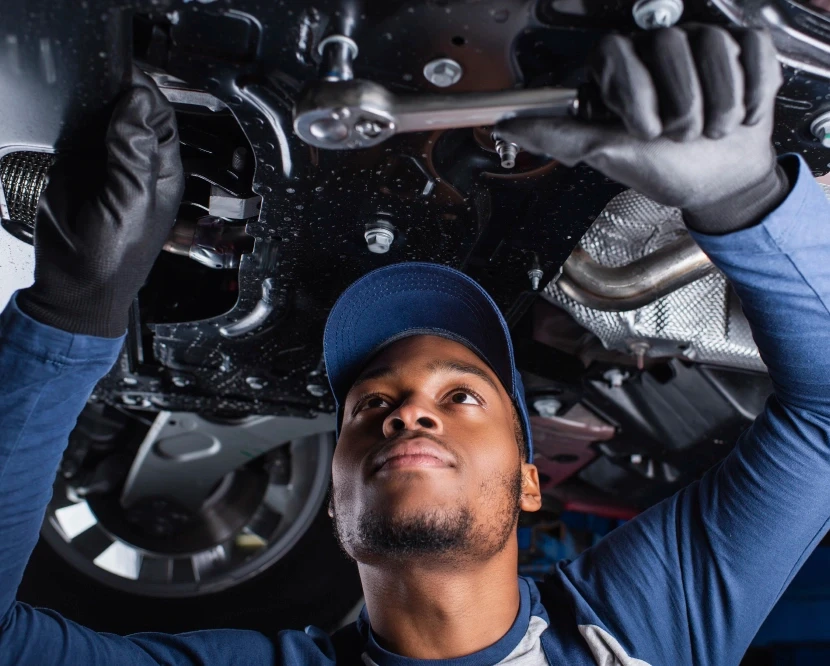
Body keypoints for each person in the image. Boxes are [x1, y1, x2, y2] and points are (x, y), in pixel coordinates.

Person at [0, 25, 827, 666]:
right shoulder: (645, 633)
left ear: (530, 481)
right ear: (332, 503)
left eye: (458, 395)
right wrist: (742, 202)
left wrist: (66, 315)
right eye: (374, 405)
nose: (407, 417)